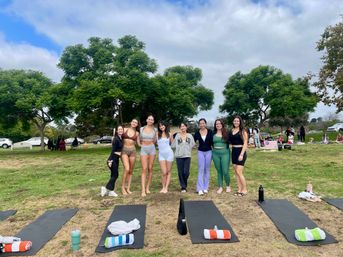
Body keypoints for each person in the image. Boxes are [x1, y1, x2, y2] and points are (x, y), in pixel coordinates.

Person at [171, 122, 195, 193]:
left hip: (187, 155)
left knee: (186, 172)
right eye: (181, 126)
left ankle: (184, 183)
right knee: (180, 172)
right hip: (179, 156)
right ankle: (183, 187)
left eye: (184, 126)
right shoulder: (177, 135)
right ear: (179, 128)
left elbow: (192, 144)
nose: (182, 127)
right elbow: (173, 145)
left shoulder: (190, 135)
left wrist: (187, 149)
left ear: (186, 127)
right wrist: (171, 136)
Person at [101, 126, 123, 197]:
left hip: (116, 159)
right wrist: (110, 161)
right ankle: (106, 188)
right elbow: (113, 150)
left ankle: (110, 191)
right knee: (115, 175)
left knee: (113, 175)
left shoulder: (120, 138)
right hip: (112, 159)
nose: (120, 130)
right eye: (119, 129)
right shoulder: (116, 139)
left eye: (121, 129)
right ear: (117, 131)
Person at [228, 116, 248, 196]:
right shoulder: (232, 130)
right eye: (235, 121)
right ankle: (239, 189)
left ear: (240, 122)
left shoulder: (242, 131)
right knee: (236, 172)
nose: (236, 122)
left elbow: (245, 143)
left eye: (237, 121)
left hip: (241, 152)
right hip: (234, 152)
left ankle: (245, 189)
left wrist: (242, 154)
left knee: (239, 172)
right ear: (233, 122)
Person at [193, 118, 213, 195]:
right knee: (201, 169)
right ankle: (199, 188)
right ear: (199, 125)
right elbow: (193, 142)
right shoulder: (197, 133)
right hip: (200, 152)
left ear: (205, 124)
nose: (202, 125)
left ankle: (205, 187)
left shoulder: (210, 132)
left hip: (209, 152)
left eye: (203, 123)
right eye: (200, 123)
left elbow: (213, 142)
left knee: (207, 169)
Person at [139, 115, 157, 197]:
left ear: (153, 121)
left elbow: (155, 140)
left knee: (150, 168)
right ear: (146, 120)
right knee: (144, 168)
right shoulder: (141, 129)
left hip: (152, 149)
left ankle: (147, 187)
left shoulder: (155, 130)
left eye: (152, 120)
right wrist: (140, 145)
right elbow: (139, 139)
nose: (150, 120)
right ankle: (143, 190)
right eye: (149, 119)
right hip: (144, 149)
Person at [121, 118, 140, 195]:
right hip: (124, 150)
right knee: (127, 169)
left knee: (131, 171)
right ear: (131, 122)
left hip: (133, 151)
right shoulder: (124, 129)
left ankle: (128, 188)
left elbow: (138, 143)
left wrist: (148, 144)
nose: (134, 123)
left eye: (136, 122)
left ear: (137, 124)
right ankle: (123, 187)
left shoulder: (137, 133)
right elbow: (118, 136)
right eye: (133, 122)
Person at [212, 119, 231, 194]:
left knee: (225, 171)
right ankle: (220, 187)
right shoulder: (213, 133)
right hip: (215, 154)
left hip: (225, 153)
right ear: (215, 125)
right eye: (216, 124)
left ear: (222, 124)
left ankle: (228, 185)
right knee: (219, 171)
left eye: (219, 124)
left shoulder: (226, 133)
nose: (218, 125)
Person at [157, 120, 174, 193]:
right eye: (160, 126)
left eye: (162, 125)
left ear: (165, 126)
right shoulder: (157, 134)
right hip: (161, 155)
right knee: (164, 172)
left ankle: (166, 187)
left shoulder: (170, 134)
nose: (161, 127)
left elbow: (173, 144)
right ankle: (163, 187)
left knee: (168, 171)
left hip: (169, 154)